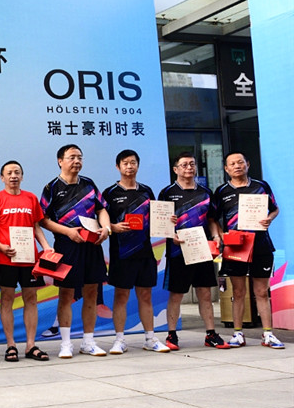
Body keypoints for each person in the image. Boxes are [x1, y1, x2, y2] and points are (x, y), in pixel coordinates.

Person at [40, 144, 111, 358]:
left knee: (91, 292)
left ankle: (88, 342)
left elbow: (101, 209)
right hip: (67, 246)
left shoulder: (88, 184)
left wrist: (106, 228)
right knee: (66, 294)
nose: (77, 161)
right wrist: (68, 232)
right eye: (71, 157)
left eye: (79, 157)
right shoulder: (51, 187)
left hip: (92, 244)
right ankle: (65, 343)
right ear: (60, 161)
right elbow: (43, 219)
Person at [102, 150, 170, 355]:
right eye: (125, 163)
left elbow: (157, 219)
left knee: (146, 296)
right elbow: (102, 220)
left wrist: (167, 221)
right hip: (121, 253)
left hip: (145, 252)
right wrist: (113, 227)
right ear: (118, 167)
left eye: (133, 162)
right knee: (121, 296)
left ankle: (150, 338)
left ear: (138, 166)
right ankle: (119, 340)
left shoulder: (147, 191)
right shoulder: (109, 193)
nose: (129, 166)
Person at [213, 152, 284, 349]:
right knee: (238, 291)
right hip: (235, 246)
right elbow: (213, 217)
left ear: (247, 164)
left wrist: (269, 218)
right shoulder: (221, 191)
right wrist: (220, 235)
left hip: (261, 244)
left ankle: (268, 334)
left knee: (261, 291)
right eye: (232, 164)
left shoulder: (261, 186)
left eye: (240, 162)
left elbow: (275, 209)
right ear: (226, 169)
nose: (237, 166)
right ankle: (237, 333)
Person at [158, 152, 227, 350]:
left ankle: (211, 334)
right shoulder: (167, 193)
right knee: (176, 294)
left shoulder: (205, 192)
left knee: (205, 293)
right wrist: (171, 234)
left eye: (192, 164)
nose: (189, 168)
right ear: (175, 169)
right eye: (184, 165)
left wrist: (215, 236)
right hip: (178, 251)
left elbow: (212, 219)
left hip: (201, 249)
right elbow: (160, 222)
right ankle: (172, 335)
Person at [0, 160, 51, 362]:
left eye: (17, 172)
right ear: (2, 177)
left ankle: (31, 345)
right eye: (9, 173)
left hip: (29, 258)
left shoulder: (31, 198)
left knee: (31, 299)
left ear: (22, 176)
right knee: (7, 299)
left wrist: (46, 246)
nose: (13, 176)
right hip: (6, 258)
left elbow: (36, 226)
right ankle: (11, 345)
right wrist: (0, 246)